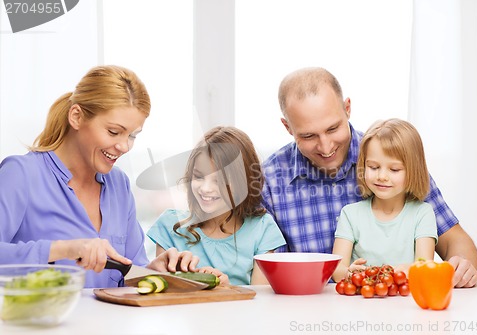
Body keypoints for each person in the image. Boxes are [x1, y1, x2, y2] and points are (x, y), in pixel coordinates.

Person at [261, 67, 477, 287]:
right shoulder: (269, 180)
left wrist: (462, 266)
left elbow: (456, 241)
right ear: (288, 127)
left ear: (347, 109)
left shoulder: (391, 157)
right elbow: (264, 273)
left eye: (333, 128)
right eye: (308, 135)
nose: (326, 147)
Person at [0, 65, 197, 288]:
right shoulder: (22, 174)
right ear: (76, 116)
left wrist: (157, 271)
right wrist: (65, 249)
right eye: (113, 132)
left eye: (132, 135)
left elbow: (129, 270)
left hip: (111, 323)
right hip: (39, 321)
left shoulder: (118, 184)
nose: (124, 146)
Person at [147, 126, 286, 285]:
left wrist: (227, 290)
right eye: (199, 176)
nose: (206, 189)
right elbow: (160, 292)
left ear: (244, 181)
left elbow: (261, 300)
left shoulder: (262, 229)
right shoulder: (170, 225)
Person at [331, 119, 437, 282]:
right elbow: (337, 270)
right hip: (359, 303)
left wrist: (409, 270)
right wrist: (348, 273)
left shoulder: (422, 213)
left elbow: (425, 267)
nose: (381, 176)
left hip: (404, 303)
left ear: (413, 170)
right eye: (373, 167)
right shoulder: (350, 214)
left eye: (394, 169)